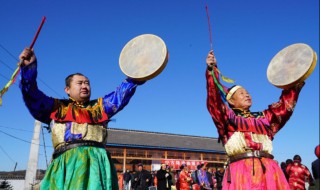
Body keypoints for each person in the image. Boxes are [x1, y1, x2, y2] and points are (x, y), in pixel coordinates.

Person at [19, 48, 144, 189]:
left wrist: (137, 75)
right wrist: (29, 69)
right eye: (80, 83)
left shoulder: (100, 107)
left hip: (98, 166)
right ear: (67, 89)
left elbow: (120, 95)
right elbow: (31, 95)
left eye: (87, 83)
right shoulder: (55, 107)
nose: (85, 86)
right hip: (66, 166)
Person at [205, 50, 305, 189]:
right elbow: (214, 100)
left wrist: (294, 78)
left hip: (269, 170)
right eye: (242, 93)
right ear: (232, 101)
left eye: (247, 92)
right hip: (241, 171)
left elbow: (284, 108)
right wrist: (211, 71)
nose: (247, 95)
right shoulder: (227, 118)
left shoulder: (264, 118)